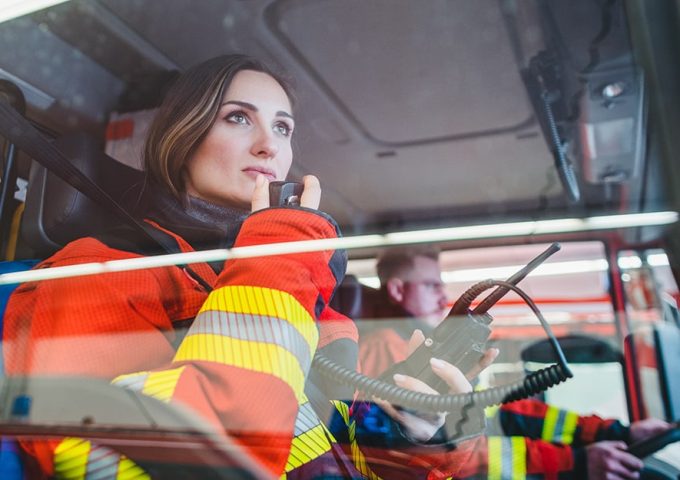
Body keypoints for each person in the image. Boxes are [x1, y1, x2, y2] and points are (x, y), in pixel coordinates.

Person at [3, 55, 486, 479]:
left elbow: (328, 456)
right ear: (183, 137)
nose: (269, 146)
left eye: (283, 127)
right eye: (238, 118)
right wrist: (276, 257)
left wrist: (418, 436)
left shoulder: (299, 295)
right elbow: (132, 462)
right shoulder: (93, 274)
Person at [358, 245, 672, 480]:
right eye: (431, 286)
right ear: (398, 289)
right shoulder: (388, 349)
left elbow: (499, 412)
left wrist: (613, 433)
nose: (443, 297)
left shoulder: (434, 349)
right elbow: (437, 451)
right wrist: (572, 463)